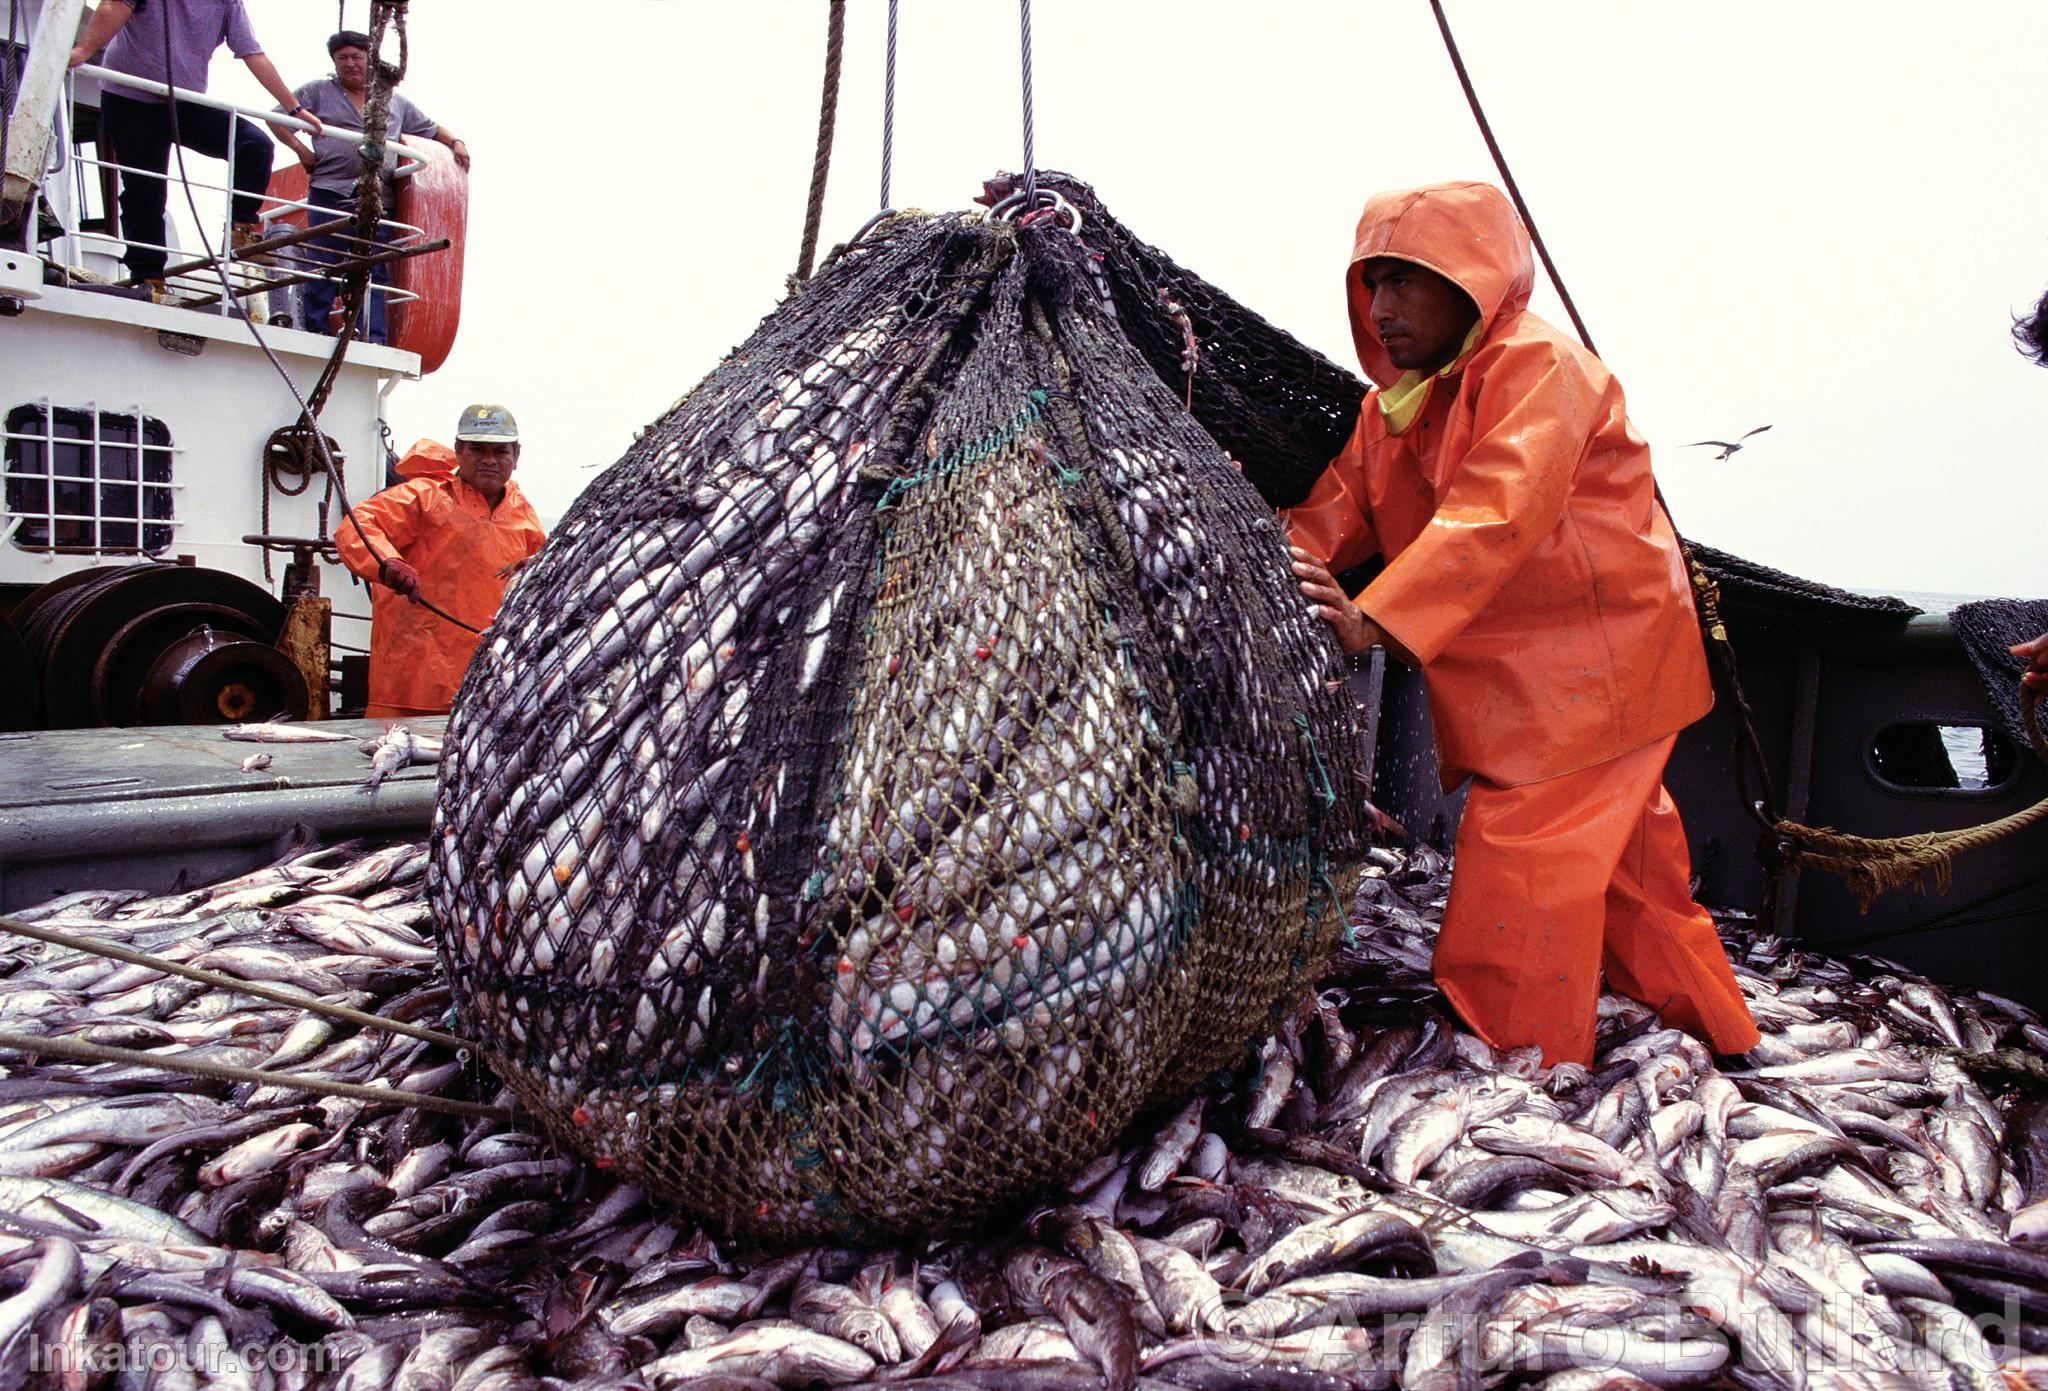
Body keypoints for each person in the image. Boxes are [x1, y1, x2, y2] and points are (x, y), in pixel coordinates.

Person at [1284, 181, 1761, 1068]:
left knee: (1525, 867)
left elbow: (1496, 512)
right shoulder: (1394, 407)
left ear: (1471, 281)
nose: (1381, 308)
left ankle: (1516, 1072)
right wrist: (1263, 559)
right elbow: (1339, 504)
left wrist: (1370, 621)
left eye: (1406, 282)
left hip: (1595, 680)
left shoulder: (1543, 369)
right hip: (1543, 691)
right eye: (1372, 284)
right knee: (1635, 886)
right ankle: (1725, 1045)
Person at [68, 0, 319, 290]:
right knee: (145, 190)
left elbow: (252, 53)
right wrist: (83, 51)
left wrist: (295, 110)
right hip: (130, 99)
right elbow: (114, 6)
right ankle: (149, 278)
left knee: (254, 145)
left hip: (184, 103)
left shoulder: (227, 3)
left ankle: (240, 229)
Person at [333, 404, 544, 718]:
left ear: (516, 455)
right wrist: (387, 562)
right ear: (459, 451)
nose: (489, 460)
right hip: (408, 691)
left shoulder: (523, 512)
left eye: (500, 451)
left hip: (488, 690)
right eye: (477, 449)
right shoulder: (423, 496)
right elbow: (358, 525)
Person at [272, 30, 470, 344]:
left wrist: (456, 142)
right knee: (324, 261)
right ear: (334, 63)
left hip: (378, 198)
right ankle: (315, 330)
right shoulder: (317, 92)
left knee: (374, 269)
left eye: (356, 57)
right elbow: (277, 117)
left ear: (370, 60)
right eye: (342, 58)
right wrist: (301, 150)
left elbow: (430, 128)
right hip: (330, 190)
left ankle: (371, 336)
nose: (349, 64)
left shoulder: (393, 101)